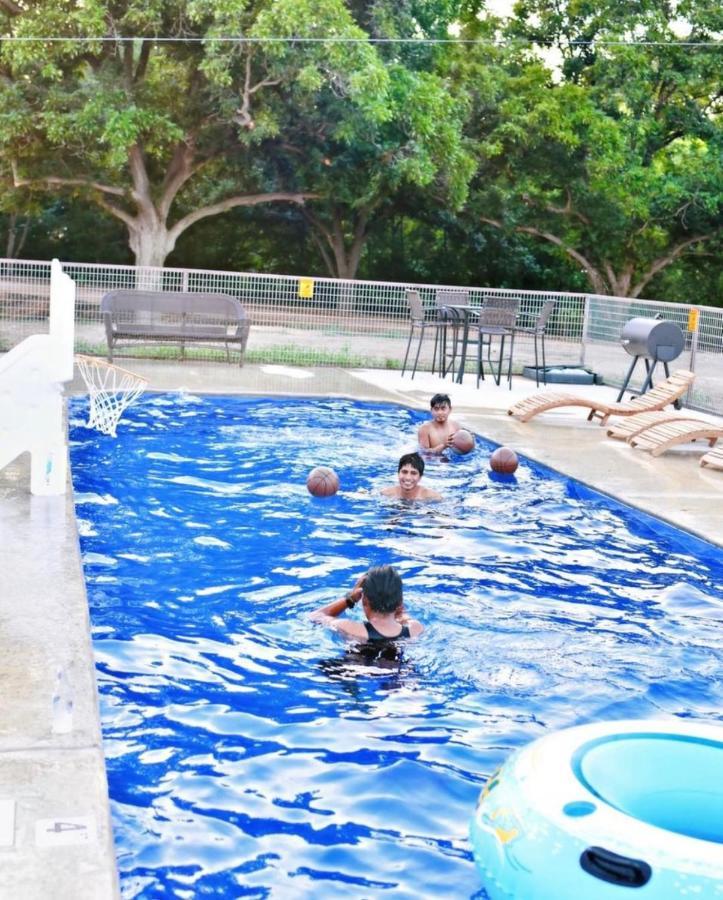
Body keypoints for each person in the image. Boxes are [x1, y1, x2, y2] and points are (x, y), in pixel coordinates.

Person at [310, 565, 424, 641]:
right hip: (399, 674)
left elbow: (315, 616)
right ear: (400, 602)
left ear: (364, 600)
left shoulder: (352, 629)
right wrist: (398, 609)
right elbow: (403, 615)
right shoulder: (415, 629)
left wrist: (349, 599)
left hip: (358, 670)